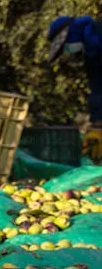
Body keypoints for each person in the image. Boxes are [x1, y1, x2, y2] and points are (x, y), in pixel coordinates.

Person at [47, 15, 102, 162]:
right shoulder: (91, 56)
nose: (67, 51)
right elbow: (97, 89)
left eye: (65, 45)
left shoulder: (97, 34)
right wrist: (97, 123)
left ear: (71, 35)